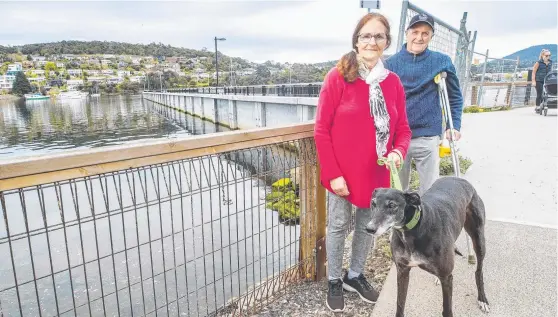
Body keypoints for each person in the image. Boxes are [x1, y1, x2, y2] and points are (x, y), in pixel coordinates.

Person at [314, 12, 412, 313]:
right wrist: (333, 174)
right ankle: (334, 279)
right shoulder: (339, 76)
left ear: (386, 42)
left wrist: (398, 151)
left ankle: (354, 276)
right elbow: (321, 128)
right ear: (357, 40)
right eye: (366, 35)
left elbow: (403, 129)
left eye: (378, 36)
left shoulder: (392, 82)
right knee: (338, 225)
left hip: (377, 172)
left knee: (368, 226)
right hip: (341, 173)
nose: (372, 41)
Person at [384, 13, 464, 195]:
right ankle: (401, 224)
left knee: (430, 192)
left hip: (427, 135)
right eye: (415, 31)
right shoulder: (391, 64)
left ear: (431, 36)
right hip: (397, 138)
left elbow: (454, 96)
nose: (419, 37)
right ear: (407, 32)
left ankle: (430, 223)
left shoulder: (441, 61)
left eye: (425, 33)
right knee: (397, 192)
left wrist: (455, 126)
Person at [532, 49, 553, 113]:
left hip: (547, 81)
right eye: (546, 55)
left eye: (549, 55)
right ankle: (537, 107)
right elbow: (533, 72)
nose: (548, 57)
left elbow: (551, 72)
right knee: (539, 94)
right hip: (539, 80)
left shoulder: (551, 62)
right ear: (542, 55)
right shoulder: (538, 63)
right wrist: (533, 81)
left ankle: (542, 105)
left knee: (546, 94)